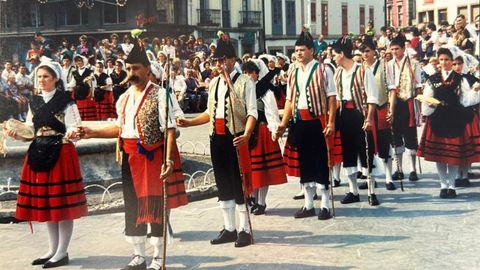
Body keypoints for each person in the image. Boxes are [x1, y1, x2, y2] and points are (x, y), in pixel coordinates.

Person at [78, 33, 188, 270]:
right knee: (133, 205)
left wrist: (168, 160)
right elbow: (120, 128)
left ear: (147, 70)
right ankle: (139, 256)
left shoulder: (160, 95)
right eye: (128, 68)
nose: (131, 72)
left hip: (152, 157)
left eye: (136, 68)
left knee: (155, 206)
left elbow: (169, 130)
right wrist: (90, 132)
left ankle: (158, 258)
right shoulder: (124, 98)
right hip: (128, 157)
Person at [177, 31, 257, 247]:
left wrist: (247, 135)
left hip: (236, 138)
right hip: (217, 138)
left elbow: (252, 113)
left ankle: (244, 229)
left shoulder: (244, 82)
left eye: (223, 60)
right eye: (217, 61)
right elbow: (209, 114)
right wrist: (189, 122)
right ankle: (229, 228)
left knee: (238, 183)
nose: (220, 64)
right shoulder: (213, 84)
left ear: (232, 60)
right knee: (223, 183)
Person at [8, 61, 87, 268]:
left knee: (62, 204)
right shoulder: (34, 102)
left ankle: (62, 252)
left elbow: (75, 128)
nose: (41, 81)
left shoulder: (66, 102)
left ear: (56, 79)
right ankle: (53, 250)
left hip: (61, 152)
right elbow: (30, 129)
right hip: (39, 151)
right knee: (50, 203)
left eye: (46, 77)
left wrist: (71, 132)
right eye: (39, 77)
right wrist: (17, 134)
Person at [275, 26, 337, 220]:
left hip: (318, 122)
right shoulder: (293, 72)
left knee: (321, 161)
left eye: (302, 50)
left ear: (312, 50)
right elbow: (289, 100)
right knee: (305, 163)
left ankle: (325, 205)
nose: (298, 53)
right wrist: (283, 124)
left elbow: (332, 98)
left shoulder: (323, 70)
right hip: (300, 122)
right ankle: (308, 204)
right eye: (296, 50)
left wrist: (332, 122)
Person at [417, 48, 480, 198]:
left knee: (453, 156)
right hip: (438, 119)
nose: (444, 63)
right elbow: (426, 100)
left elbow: (466, 100)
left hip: (455, 119)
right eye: (441, 60)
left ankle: (451, 186)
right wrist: (428, 106)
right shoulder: (432, 80)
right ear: (438, 62)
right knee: (440, 156)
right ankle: (443, 185)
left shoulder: (460, 79)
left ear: (452, 61)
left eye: (447, 60)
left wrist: (476, 91)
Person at [332, 36, 380, 206]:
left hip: (360, 113)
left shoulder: (363, 70)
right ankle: (353, 191)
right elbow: (337, 99)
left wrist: (369, 119)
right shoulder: (337, 73)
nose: (333, 58)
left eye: (335, 54)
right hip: (345, 114)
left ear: (342, 54)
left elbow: (372, 97)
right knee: (348, 153)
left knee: (365, 152)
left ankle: (371, 192)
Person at [242, 60, 287, 215]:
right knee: (253, 169)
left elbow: (272, 112)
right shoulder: (244, 89)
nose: (247, 75)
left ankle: (261, 202)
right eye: (245, 72)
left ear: (257, 73)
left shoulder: (265, 90)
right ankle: (253, 198)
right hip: (248, 133)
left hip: (261, 131)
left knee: (263, 170)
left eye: (250, 72)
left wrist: (275, 129)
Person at [360, 37, 397, 191]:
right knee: (367, 145)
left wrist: (391, 109)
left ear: (374, 51)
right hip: (366, 112)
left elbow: (392, 89)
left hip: (381, 108)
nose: (365, 54)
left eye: (367, 51)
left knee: (384, 143)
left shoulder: (384, 66)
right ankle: (371, 178)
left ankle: (389, 177)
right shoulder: (359, 68)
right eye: (362, 51)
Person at [386, 34, 423, 182]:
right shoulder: (388, 65)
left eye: (397, 49)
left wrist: (419, 108)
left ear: (403, 49)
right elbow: (389, 86)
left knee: (410, 136)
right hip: (395, 103)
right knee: (396, 136)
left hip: (408, 101)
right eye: (392, 49)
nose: (394, 52)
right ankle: (399, 169)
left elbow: (419, 85)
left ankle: (413, 169)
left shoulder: (413, 64)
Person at [69, 55, 97, 121]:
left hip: (87, 92)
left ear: (83, 61)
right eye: (77, 61)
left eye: (80, 61)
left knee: (88, 111)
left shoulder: (89, 71)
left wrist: (92, 93)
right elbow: (72, 83)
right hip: (78, 93)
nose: (78, 63)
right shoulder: (74, 72)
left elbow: (93, 82)